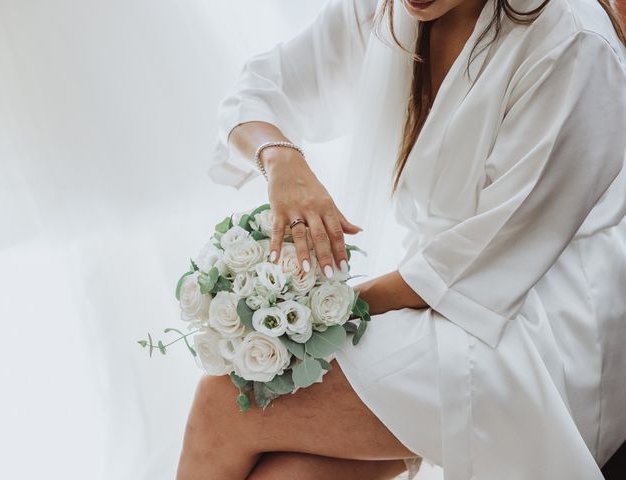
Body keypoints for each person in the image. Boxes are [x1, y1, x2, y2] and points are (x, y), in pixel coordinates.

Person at [177, 0, 626, 478]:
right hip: (427, 292)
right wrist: (282, 160)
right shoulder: (388, 7)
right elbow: (256, 92)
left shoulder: (574, 43)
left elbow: (476, 269)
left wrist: (310, 317)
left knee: (225, 400)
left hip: (532, 319)